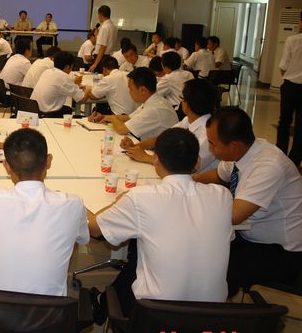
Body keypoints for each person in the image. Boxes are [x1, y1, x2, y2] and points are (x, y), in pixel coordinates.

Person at [88, 127, 233, 323]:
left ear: (156, 159)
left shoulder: (141, 198)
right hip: (212, 317)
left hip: (155, 317)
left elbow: (95, 229)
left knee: (141, 254)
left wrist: (118, 202)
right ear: (197, 162)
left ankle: (103, 302)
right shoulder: (222, 197)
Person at [0, 128, 89, 296]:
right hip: (50, 311)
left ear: (6, 166)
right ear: (49, 161)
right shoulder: (73, 203)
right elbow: (84, 238)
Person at [194, 107, 302, 297]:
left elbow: (234, 215)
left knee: (212, 269)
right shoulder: (243, 151)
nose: (210, 149)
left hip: (279, 250)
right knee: (200, 248)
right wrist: (186, 182)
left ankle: (214, 307)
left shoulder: (269, 165)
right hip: (249, 235)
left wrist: (191, 206)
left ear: (233, 145)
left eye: (212, 144)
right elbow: (219, 175)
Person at [121, 78, 219, 173]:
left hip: (195, 181)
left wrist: (145, 157)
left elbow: (186, 167)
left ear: (187, 104)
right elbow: (161, 138)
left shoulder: (209, 133)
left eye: (182, 98)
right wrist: (135, 147)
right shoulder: (188, 120)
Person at [89, 67, 178, 140]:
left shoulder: (154, 109)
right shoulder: (153, 101)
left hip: (159, 153)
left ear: (143, 90)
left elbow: (121, 129)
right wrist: (104, 117)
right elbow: (129, 117)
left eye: (131, 89)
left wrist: (112, 118)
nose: (129, 92)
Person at [276, 11, 302, 168]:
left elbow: (284, 66)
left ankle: (280, 156)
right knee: (300, 127)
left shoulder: (292, 40)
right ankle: (295, 160)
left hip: (291, 86)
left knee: (284, 122)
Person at [31, 51, 91, 117]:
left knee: (67, 109)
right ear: (67, 67)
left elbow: (60, 86)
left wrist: (75, 86)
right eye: (72, 67)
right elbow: (81, 99)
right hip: (48, 114)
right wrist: (88, 89)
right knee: (72, 113)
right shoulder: (64, 77)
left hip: (34, 110)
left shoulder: (47, 71)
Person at [89, 5, 118, 72]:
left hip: (101, 58)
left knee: (98, 76)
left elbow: (103, 47)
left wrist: (95, 64)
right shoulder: (114, 27)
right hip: (108, 56)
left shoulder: (104, 27)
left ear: (100, 15)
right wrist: (97, 36)